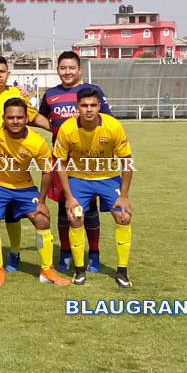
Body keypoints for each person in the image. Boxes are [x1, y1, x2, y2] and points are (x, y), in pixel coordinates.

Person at [0, 98, 70, 286]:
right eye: (10, 117)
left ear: (26, 119)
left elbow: (47, 171)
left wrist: (41, 202)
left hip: (23, 187)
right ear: (3, 118)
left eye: (19, 117)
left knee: (42, 219)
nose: (15, 121)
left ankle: (47, 270)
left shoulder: (36, 142)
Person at [0, 56, 51, 274]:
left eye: (2, 71)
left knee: (14, 212)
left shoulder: (17, 95)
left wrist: (57, 129)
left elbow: (33, 118)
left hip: (14, 164)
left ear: (8, 74)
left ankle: (14, 252)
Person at [39, 51, 112, 274]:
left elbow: (108, 120)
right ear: (57, 69)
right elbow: (41, 116)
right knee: (65, 206)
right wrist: (54, 128)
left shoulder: (92, 92)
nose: (67, 72)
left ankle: (94, 254)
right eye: (63, 68)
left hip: (88, 159)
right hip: (62, 159)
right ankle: (65, 253)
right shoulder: (51, 94)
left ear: (80, 69)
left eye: (71, 68)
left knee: (89, 207)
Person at [53, 87, 133, 287]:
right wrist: (69, 197)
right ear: (77, 107)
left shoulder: (113, 126)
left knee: (124, 216)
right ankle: (80, 270)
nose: (89, 109)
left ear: (99, 107)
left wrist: (124, 196)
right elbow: (60, 164)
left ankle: (122, 272)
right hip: (79, 179)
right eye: (84, 105)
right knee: (75, 216)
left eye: (93, 105)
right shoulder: (67, 128)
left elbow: (127, 162)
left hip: (108, 178)